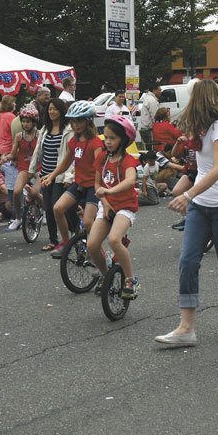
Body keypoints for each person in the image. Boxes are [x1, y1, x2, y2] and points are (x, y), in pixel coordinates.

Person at [155, 79, 218, 347]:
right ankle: (186, 328)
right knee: (188, 261)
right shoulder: (204, 128)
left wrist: (188, 194)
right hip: (201, 206)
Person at [89, 115, 140, 299]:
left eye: (113, 138)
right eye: (106, 137)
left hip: (125, 206)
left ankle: (130, 280)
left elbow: (130, 180)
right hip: (107, 205)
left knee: (114, 239)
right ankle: (106, 274)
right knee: (92, 245)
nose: (108, 141)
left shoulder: (128, 161)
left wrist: (109, 192)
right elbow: (97, 184)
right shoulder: (102, 158)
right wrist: (105, 200)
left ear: (123, 140)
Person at [45, 100, 104, 258]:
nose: (75, 125)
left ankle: (98, 252)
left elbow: (101, 167)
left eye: (79, 121)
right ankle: (66, 242)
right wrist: (52, 176)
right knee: (57, 208)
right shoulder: (74, 141)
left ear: (88, 121)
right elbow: (65, 163)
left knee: (88, 222)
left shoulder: (96, 143)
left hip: (93, 186)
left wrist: (101, 187)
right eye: (73, 121)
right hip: (79, 184)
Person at [28, 97, 74, 251]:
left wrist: (69, 176)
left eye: (55, 109)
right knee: (48, 208)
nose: (52, 112)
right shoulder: (45, 129)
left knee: (58, 207)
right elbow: (38, 152)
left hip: (60, 175)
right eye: (50, 109)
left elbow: (70, 156)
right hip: (46, 174)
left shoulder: (68, 130)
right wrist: (32, 170)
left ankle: (70, 236)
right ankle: (54, 240)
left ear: (62, 111)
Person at [4, 104, 39, 231]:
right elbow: (13, 154)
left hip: (37, 169)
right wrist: (5, 158)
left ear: (34, 122)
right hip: (24, 168)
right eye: (23, 121)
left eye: (28, 121)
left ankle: (45, 212)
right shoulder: (19, 136)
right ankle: (18, 218)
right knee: (17, 192)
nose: (25, 124)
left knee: (36, 193)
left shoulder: (39, 135)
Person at [0, 95, 18, 187]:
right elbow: (15, 134)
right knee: (11, 180)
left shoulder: (1, 115)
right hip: (9, 150)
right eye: (13, 102)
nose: (15, 104)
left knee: (3, 178)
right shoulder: (11, 116)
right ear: (10, 104)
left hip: (0, 148)